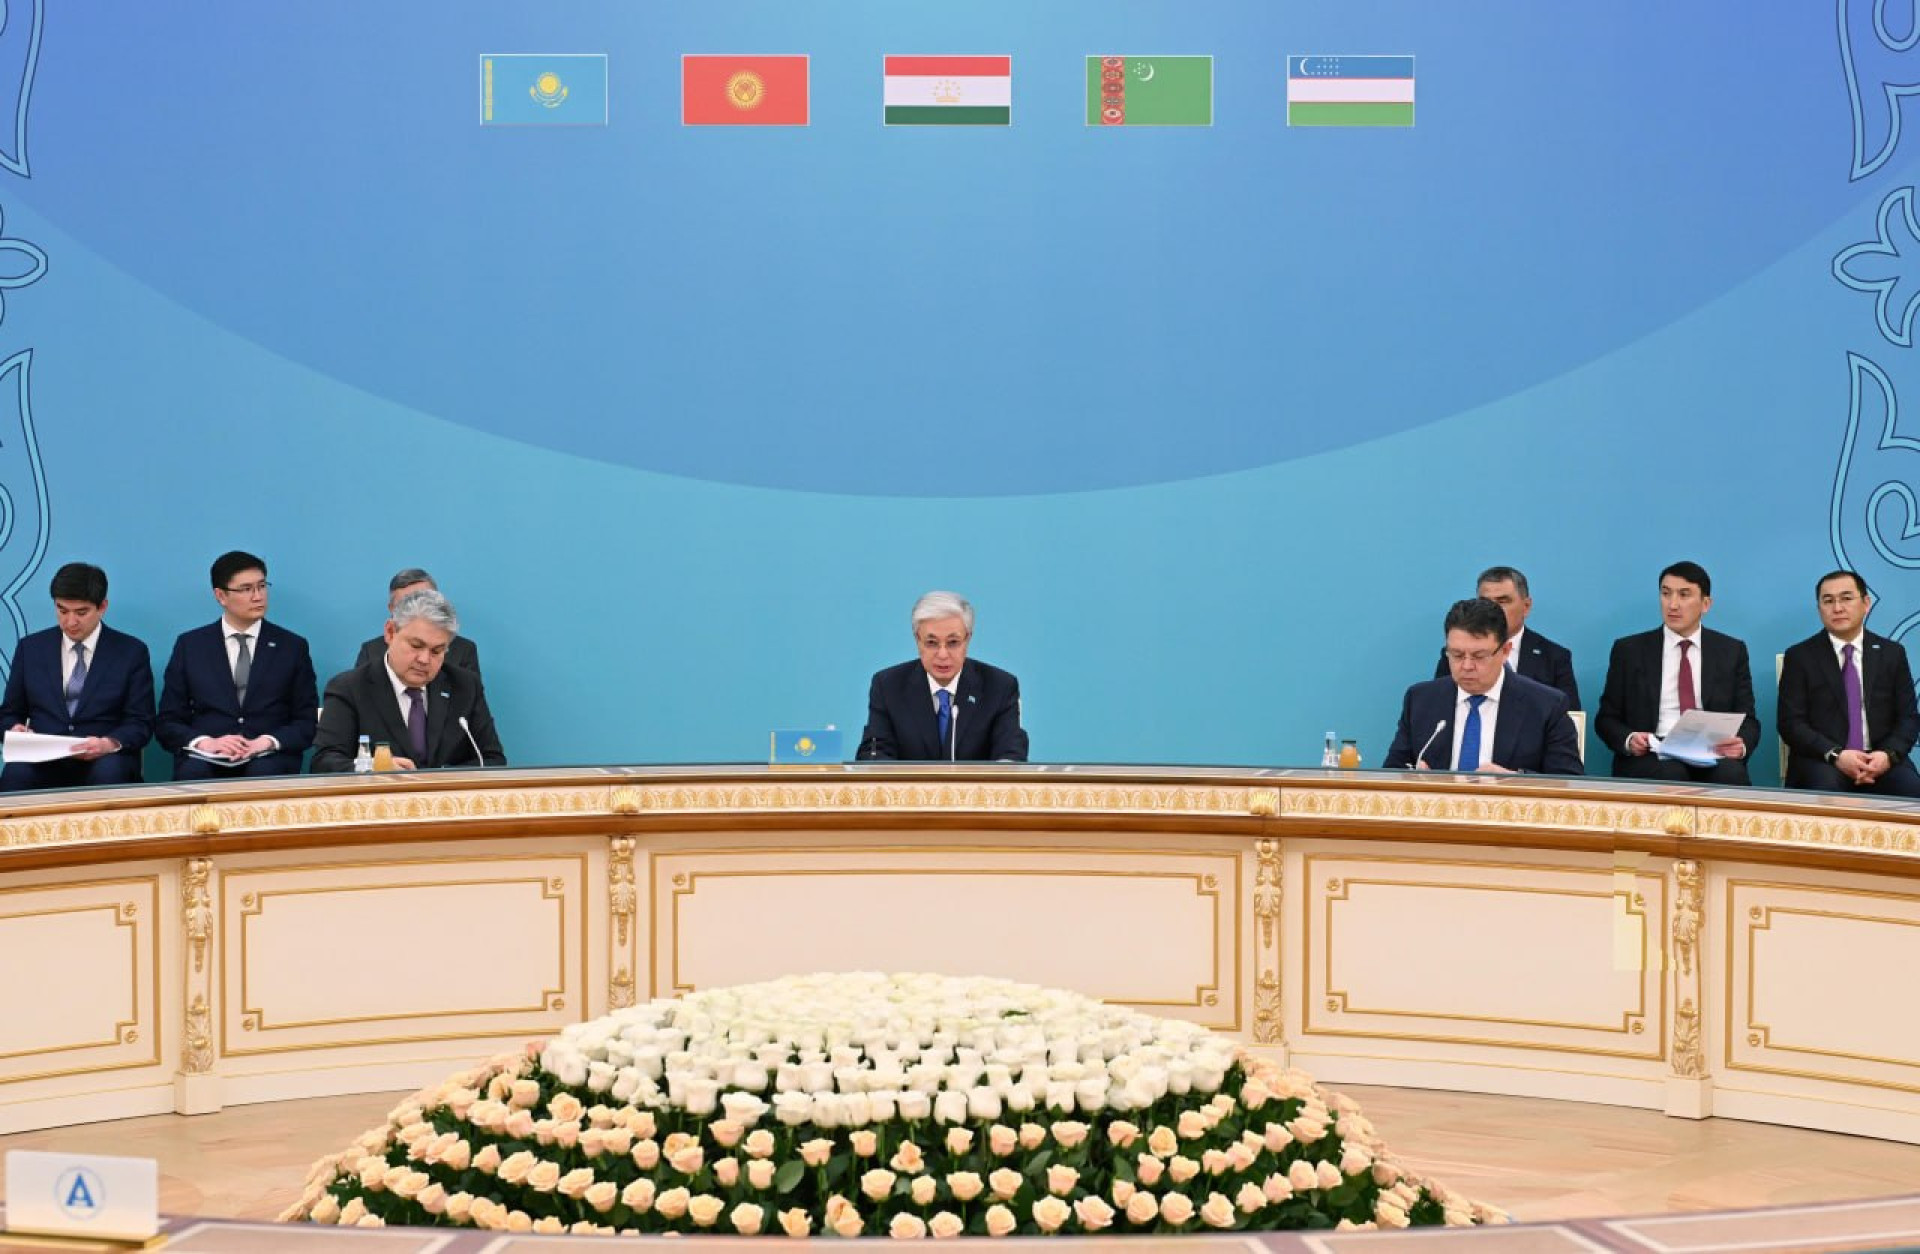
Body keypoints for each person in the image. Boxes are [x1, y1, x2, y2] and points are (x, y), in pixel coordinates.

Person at [1594, 560, 1759, 784]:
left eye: (1684, 595)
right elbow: (1606, 718)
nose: (1672, 604)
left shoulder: (1731, 651)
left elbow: (1748, 719)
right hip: (1652, 752)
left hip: (1711, 750)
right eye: (1666, 594)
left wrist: (1741, 745)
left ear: (1706, 604)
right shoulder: (1629, 650)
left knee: (1730, 775)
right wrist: (1629, 739)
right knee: (1671, 775)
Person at [156, 551, 318, 779]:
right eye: (246, 589)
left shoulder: (292, 647)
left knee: (263, 773)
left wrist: (267, 742)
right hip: (207, 757)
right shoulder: (190, 645)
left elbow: (306, 721)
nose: (258, 596)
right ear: (221, 595)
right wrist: (205, 742)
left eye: (262, 586)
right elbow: (168, 721)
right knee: (195, 774)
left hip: (268, 757)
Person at [312, 589, 504, 772]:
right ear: (390, 632)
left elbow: (492, 760)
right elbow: (324, 762)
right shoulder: (349, 688)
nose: (424, 659)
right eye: (416, 645)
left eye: (437, 651)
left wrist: (438, 778)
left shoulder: (465, 686)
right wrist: (372, 768)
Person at [0, 562, 154, 790]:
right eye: (62, 611)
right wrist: (15, 729)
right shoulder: (30, 648)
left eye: (81, 612)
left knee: (110, 772)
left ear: (102, 607)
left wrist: (108, 743)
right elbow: (10, 713)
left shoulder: (131, 652)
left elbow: (140, 722)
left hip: (104, 758)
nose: (70, 622)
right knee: (16, 773)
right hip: (44, 758)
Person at [1385, 597, 1583, 774]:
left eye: (1479, 656)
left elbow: (1568, 781)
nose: (1467, 666)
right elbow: (1393, 770)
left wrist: (1515, 781)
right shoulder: (1421, 699)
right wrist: (1413, 776)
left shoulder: (1547, 705)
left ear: (1505, 651)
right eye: (1457, 655)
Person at [1777, 570, 1920, 797]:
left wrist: (1887, 755)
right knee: (1827, 791)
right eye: (1828, 601)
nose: (1837, 608)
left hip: (1880, 758)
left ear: (1866, 603)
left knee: (1910, 789)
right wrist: (1835, 755)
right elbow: (1791, 724)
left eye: (1846, 598)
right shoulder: (1800, 656)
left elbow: (1908, 718)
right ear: (1819, 609)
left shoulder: (1892, 654)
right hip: (1823, 759)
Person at [857, 590, 1028, 761]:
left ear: (968, 639)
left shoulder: (1000, 687)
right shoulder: (888, 686)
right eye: (932, 643)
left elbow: (1011, 754)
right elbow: (874, 753)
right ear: (917, 640)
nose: (943, 654)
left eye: (953, 643)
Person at [1431, 565, 1580, 710]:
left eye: (1502, 601)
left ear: (1526, 606)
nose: (1493, 609)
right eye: (1485, 602)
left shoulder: (1554, 656)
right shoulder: (1456, 655)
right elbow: (1439, 706)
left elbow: (1569, 715)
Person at [353, 568, 481, 677]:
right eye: (406, 605)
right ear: (391, 610)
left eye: (436, 651)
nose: (424, 659)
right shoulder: (371, 651)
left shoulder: (463, 650)